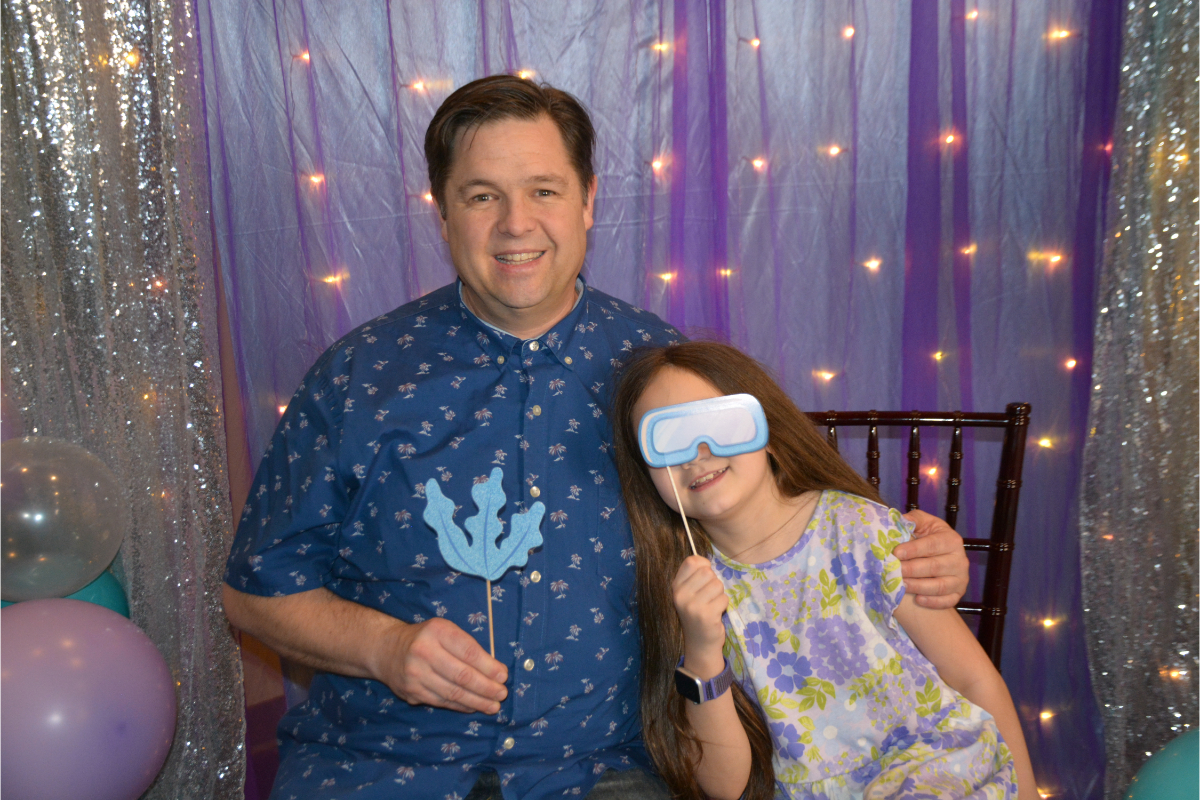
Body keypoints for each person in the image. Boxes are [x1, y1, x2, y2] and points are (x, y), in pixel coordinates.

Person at [222, 75, 972, 800]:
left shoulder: (661, 378)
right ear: (442, 214)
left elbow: (779, 529)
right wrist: (384, 648)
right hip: (380, 764)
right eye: (482, 196)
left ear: (587, 201)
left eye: (544, 191)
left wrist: (907, 553)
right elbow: (254, 594)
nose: (516, 224)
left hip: (608, 767)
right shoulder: (358, 377)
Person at [610, 341, 1036, 800]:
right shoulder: (691, 592)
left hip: (936, 768)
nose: (696, 454)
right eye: (667, 440)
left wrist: (1027, 791)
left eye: (717, 424)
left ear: (766, 427)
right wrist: (701, 651)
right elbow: (726, 786)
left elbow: (973, 677)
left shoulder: (858, 529)